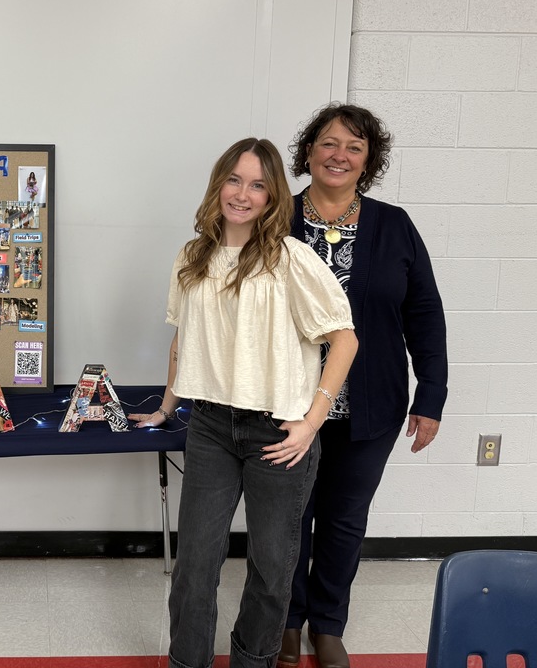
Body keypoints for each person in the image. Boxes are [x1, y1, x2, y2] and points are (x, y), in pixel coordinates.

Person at [129, 138, 358, 668]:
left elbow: (344, 339)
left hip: (278, 434)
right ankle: (188, 662)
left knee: (272, 570)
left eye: (257, 185)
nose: (242, 194)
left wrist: (311, 422)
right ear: (218, 185)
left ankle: (253, 662)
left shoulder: (291, 260)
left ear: (272, 196)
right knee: (194, 565)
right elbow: (184, 340)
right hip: (210, 426)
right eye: (234, 180)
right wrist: (166, 407)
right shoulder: (192, 258)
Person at [273, 103, 448, 668]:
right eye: (329, 143)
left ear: (369, 161)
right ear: (308, 152)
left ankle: (328, 624)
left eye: (354, 147)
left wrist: (431, 396)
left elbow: (425, 313)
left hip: (370, 407)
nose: (339, 156)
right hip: (286, 405)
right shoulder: (274, 219)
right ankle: (285, 621)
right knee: (288, 521)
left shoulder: (393, 225)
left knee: (344, 521)